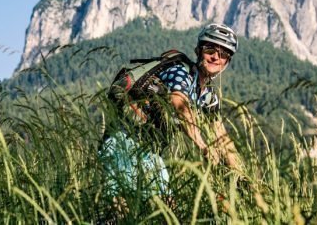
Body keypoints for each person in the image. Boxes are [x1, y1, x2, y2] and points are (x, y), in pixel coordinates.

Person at [100, 23, 242, 211]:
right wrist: (204, 148)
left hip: (150, 152)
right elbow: (180, 104)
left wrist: (239, 174)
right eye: (210, 49)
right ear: (198, 50)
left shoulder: (208, 96)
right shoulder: (180, 71)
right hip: (123, 141)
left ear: (227, 62)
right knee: (120, 210)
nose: (216, 57)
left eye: (224, 54)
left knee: (167, 211)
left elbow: (221, 137)